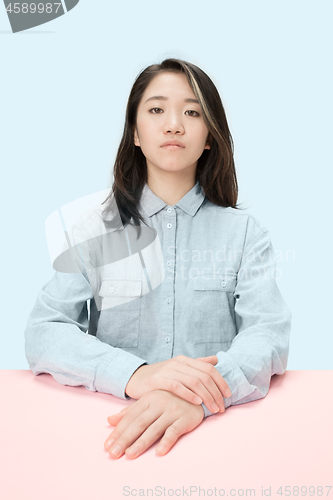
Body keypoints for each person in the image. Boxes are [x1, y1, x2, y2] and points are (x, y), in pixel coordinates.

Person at [24, 58, 292, 460]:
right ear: (135, 132)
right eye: (156, 109)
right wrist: (137, 374)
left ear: (208, 137)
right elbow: (44, 332)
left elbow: (268, 336)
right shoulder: (94, 230)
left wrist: (198, 397)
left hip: (222, 443)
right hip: (105, 437)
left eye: (191, 111)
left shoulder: (245, 234)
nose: (173, 124)